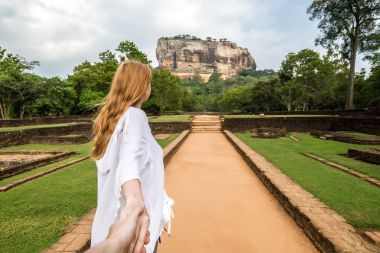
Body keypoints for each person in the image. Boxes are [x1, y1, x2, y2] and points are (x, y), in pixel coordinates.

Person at [89, 60, 174, 253]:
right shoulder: (135, 116)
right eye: (148, 82)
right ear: (142, 86)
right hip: (135, 232)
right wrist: (135, 203)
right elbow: (130, 162)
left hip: (110, 228)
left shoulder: (113, 122)